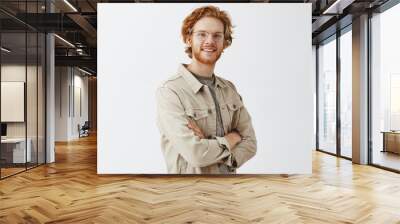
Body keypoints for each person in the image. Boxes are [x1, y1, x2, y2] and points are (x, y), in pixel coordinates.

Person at [156, 5, 257, 174]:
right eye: (202, 34)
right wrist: (231, 139)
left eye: (217, 36)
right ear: (189, 39)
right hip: (187, 194)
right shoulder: (170, 91)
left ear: (225, 43)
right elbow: (195, 154)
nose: (210, 41)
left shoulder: (229, 89)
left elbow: (250, 143)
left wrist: (216, 151)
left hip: (227, 190)